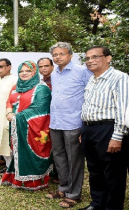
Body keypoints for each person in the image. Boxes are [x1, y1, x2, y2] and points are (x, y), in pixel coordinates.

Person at [79, 46, 129, 210]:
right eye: (87, 58)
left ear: (108, 58)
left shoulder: (119, 78)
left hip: (108, 129)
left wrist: (117, 136)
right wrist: (84, 130)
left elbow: (123, 109)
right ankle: (97, 204)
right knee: (94, 170)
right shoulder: (92, 80)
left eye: (95, 57)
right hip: (89, 130)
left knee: (113, 172)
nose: (90, 61)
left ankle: (113, 207)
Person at [45, 42, 93, 208]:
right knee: (59, 157)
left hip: (74, 122)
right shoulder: (55, 73)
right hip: (56, 122)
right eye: (55, 55)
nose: (58, 57)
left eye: (61, 54)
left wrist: (84, 124)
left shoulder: (82, 71)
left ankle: (74, 194)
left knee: (74, 159)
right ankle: (63, 188)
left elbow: (91, 96)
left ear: (70, 55)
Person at [0, 60, 53, 190]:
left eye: (28, 71)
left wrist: (16, 117)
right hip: (17, 125)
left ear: (34, 72)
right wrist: (8, 113)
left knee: (31, 151)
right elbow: (9, 101)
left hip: (33, 127)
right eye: (21, 71)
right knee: (18, 152)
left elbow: (40, 109)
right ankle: (17, 177)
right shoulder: (17, 86)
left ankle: (34, 181)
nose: (24, 74)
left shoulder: (42, 88)